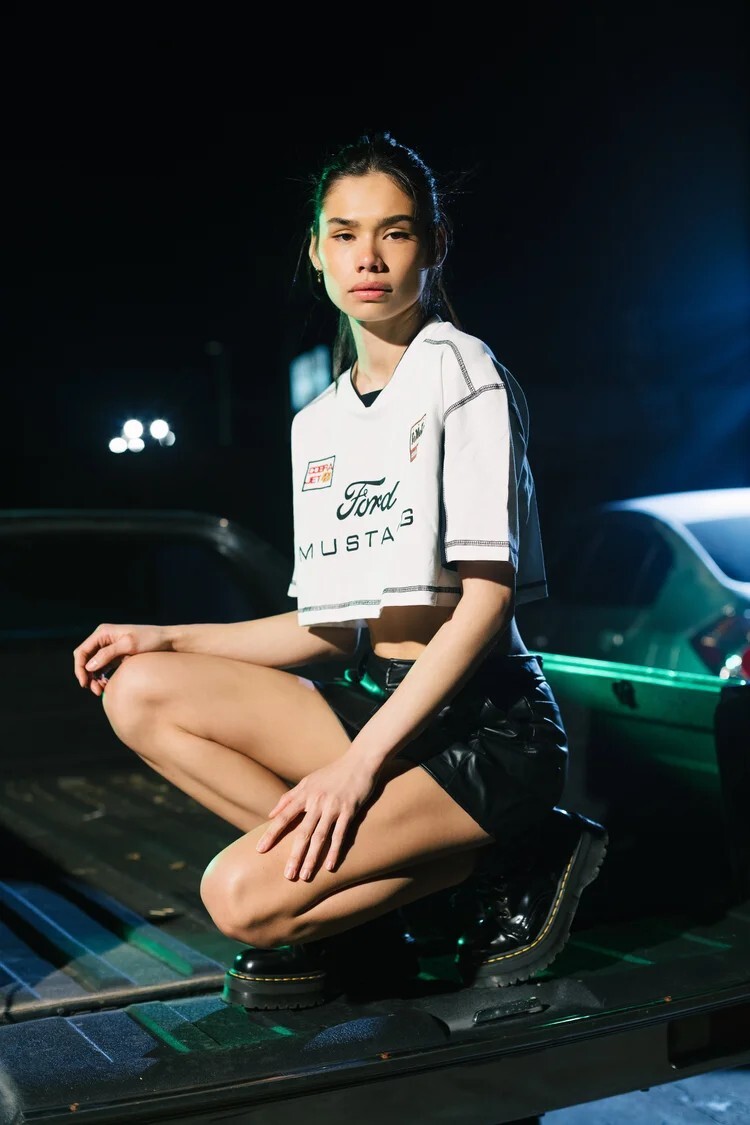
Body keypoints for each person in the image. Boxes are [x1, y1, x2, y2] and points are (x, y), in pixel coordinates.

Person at [72, 131, 607, 1012]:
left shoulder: (461, 369)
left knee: (239, 897)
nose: (370, 257)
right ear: (316, 252)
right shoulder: (317, 422)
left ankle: (518, 848)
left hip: (486, 726)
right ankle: (375, 902)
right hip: (378, 701)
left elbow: (486, 600)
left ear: (434, 246)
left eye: (396, 232)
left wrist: (358, 766)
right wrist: (163, 635)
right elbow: (326, 629)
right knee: (137, 690)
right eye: (345, 233)